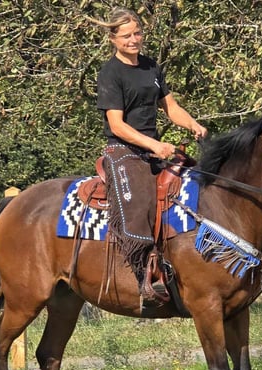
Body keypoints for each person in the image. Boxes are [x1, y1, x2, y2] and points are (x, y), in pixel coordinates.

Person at [91, 7, 207, 306]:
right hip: (123, 151)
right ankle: (142, 272)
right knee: (141, 198)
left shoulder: (151, 67)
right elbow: (116, 124)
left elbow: (170, 107)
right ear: (113, 39)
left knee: (195, 184)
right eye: (126, 35)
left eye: (138, 33)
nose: (134, 40)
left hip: (153, 150)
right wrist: (154, 146)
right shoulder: (110, 73)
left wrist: (192, 123)